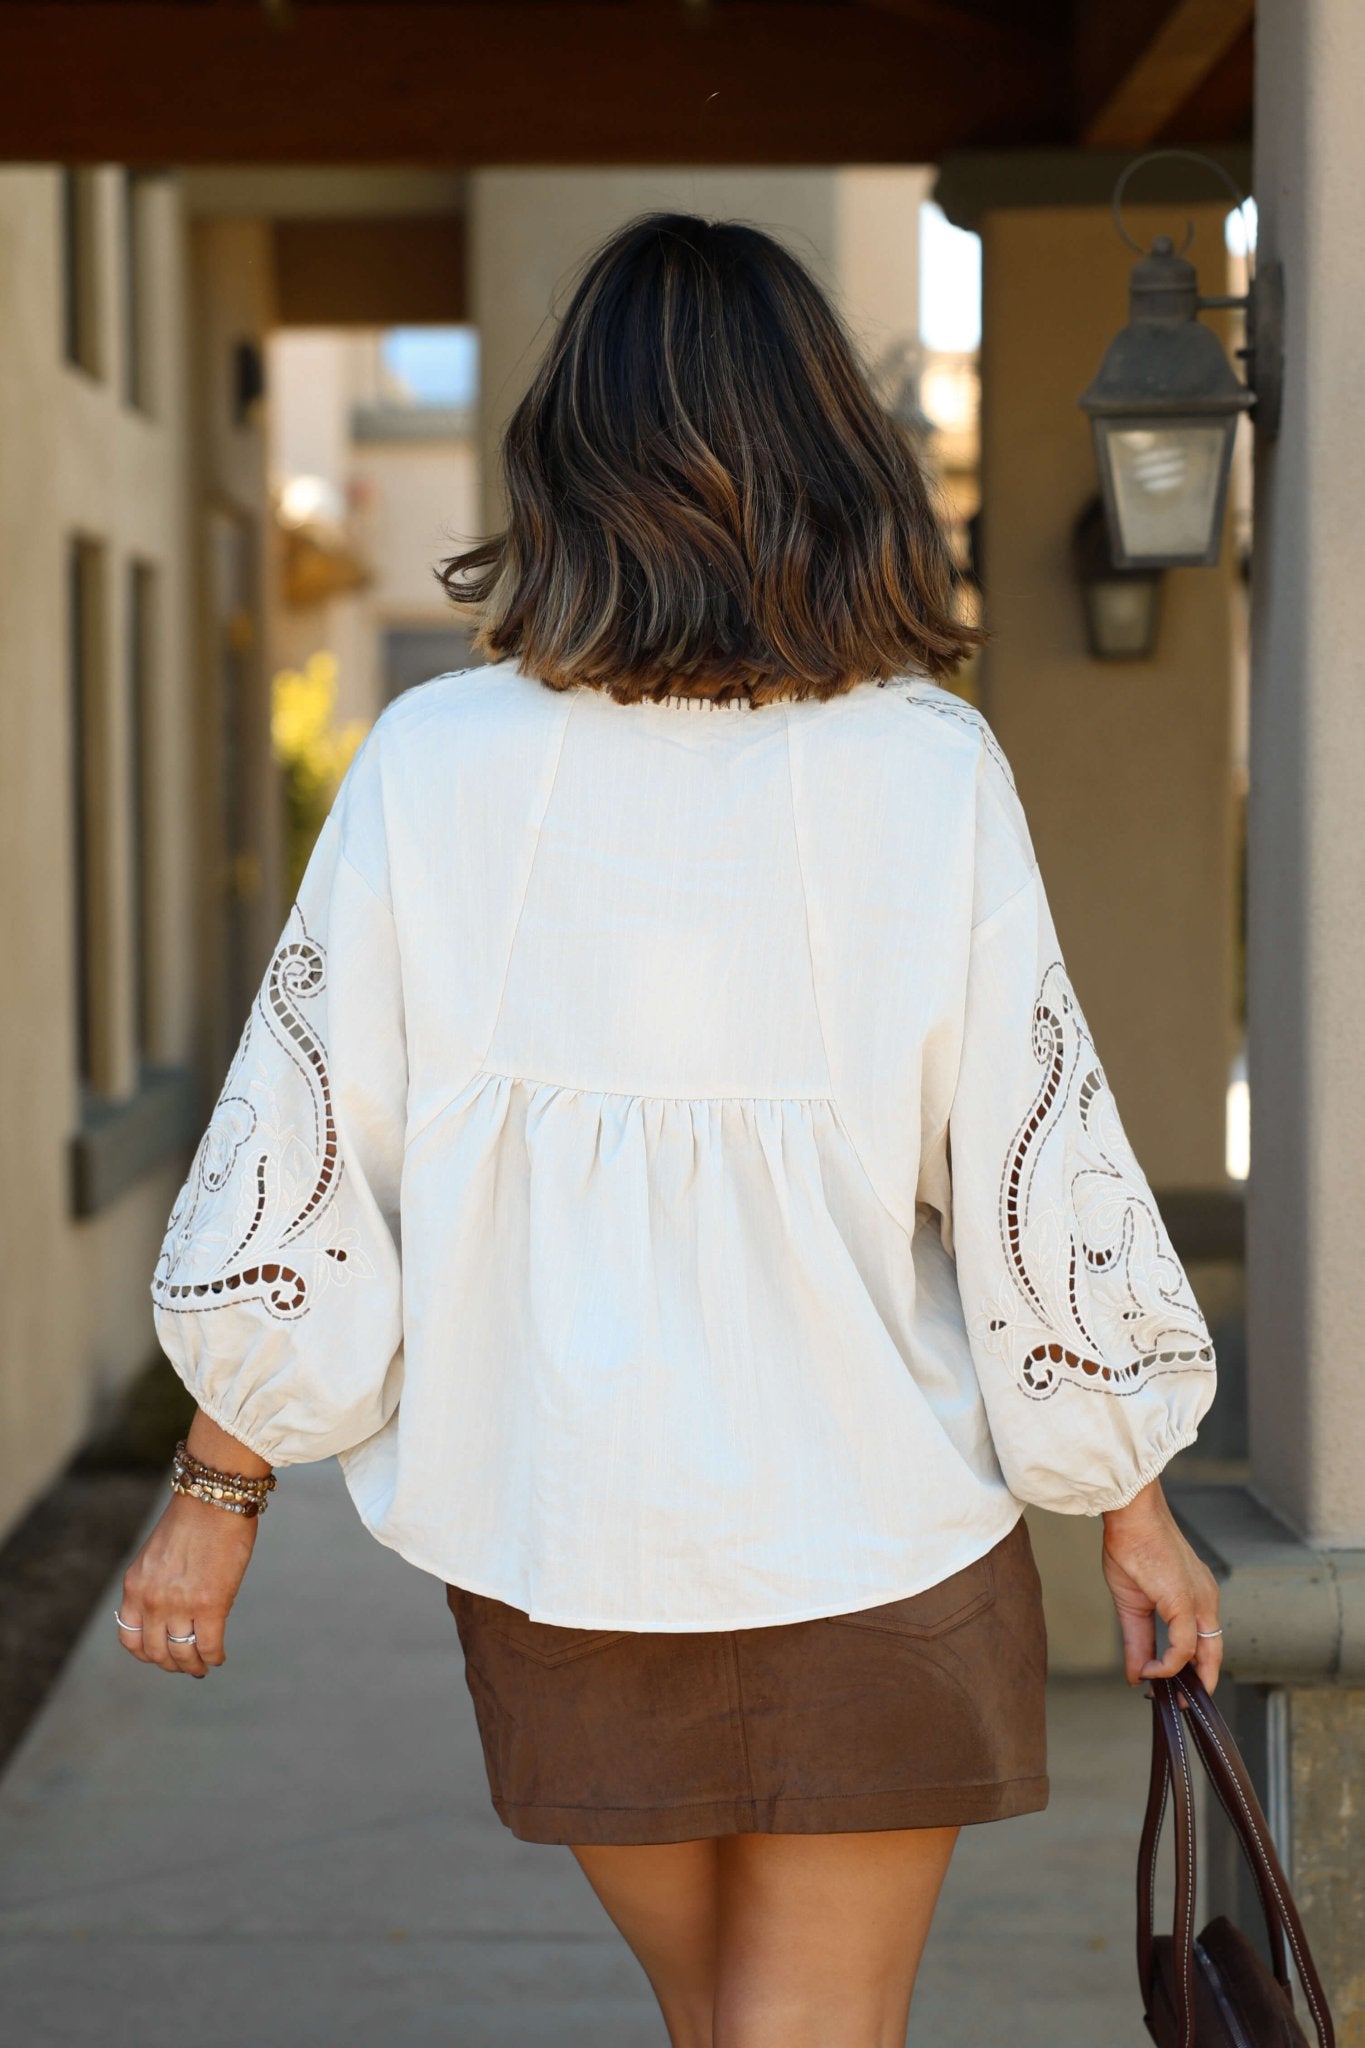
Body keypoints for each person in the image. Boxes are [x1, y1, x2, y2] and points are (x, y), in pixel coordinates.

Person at [120, 213, 1222, 2048]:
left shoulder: (431, 762)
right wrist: (1136, 1506)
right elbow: (1038, 1169)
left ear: (564, 461)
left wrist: (215, 1498)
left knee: (730, 2026)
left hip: (560, 1531)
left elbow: (309, 1156)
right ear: (834, 461)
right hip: (875, 1528)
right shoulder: (920, 765)